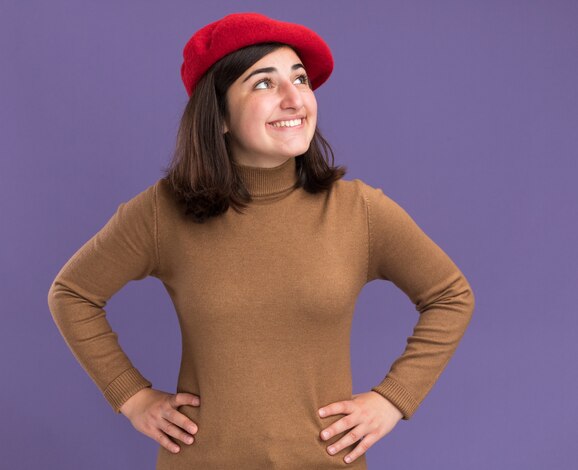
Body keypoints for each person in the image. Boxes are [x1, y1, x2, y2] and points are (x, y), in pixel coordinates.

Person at [47, 12, 475, 470]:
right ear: (221, 117)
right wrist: (132, 397)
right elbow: (72, 294)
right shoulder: (164, 211)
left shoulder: (359, 211)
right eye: (264, 84)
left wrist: (392, 400)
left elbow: (451, 296)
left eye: (301, 79)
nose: (295, 99)